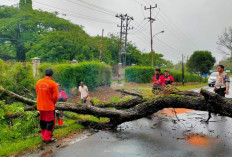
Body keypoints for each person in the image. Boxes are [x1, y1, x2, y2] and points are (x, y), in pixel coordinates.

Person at [36, 69, 58, 143]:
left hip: (40, 106)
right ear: (52, 75)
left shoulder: (38, 82)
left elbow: (37, 93)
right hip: (49, 106)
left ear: (45, 74)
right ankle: (47, 138)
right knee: (50, 122)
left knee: (42, 121)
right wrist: (53, 103)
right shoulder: (53, 83)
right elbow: (55, 97)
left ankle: (43, 135)